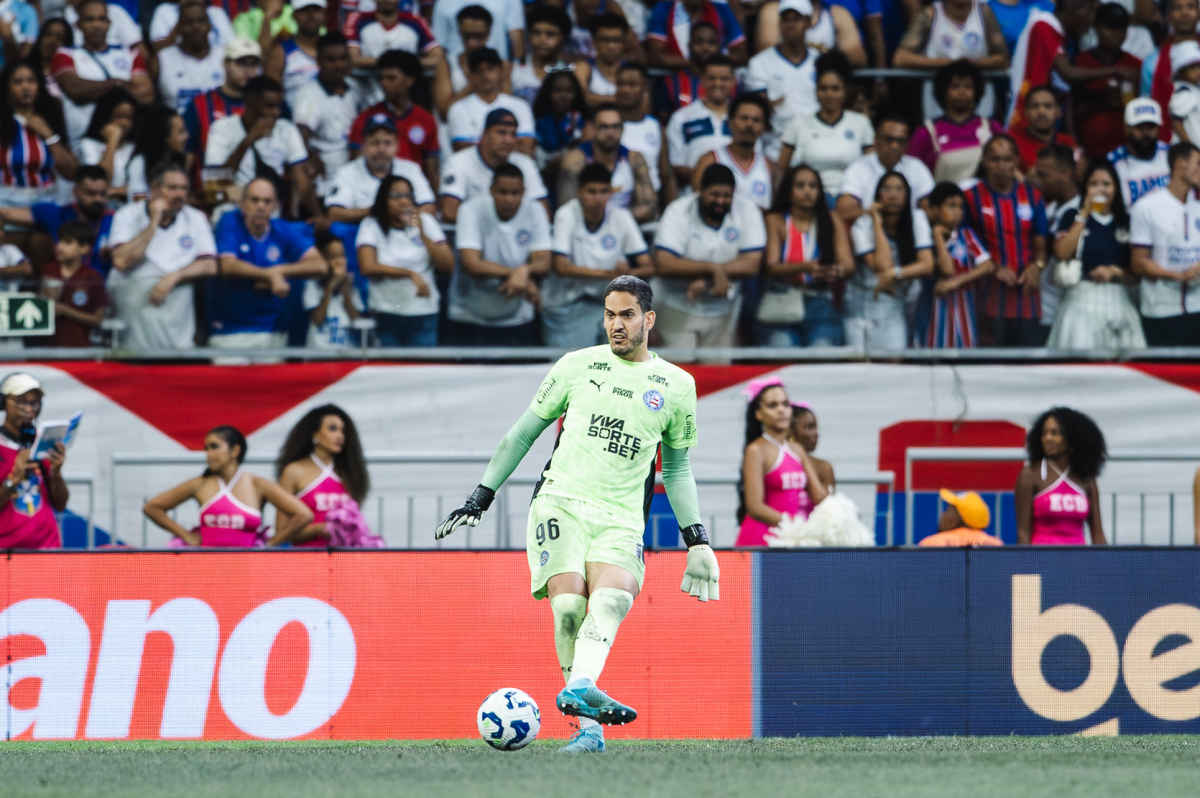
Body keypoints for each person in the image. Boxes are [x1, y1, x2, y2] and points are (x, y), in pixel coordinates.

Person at [435, 274, 718, 754]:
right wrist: (480, 496)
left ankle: (581, 687)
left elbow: (678, 467)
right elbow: (523, 433)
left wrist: (699, 540)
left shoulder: (675, 385)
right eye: (610, 314)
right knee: (568, 608)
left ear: (649, 319)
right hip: (560, 502)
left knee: (612, 601)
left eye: (627, 315)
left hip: (622, 515)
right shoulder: (576, 366)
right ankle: (588, 729)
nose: (617, 324)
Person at [107, 161, 218, 350]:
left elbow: (210, 264)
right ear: (154, 189)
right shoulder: (127, 215)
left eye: (184, 188)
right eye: (172, 188)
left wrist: (174, 277)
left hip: (177, 334)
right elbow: (121, 261)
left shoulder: (195, 218)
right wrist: (154, 222)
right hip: (135, 331)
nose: (180, 194)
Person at [653, 163, 766, 348]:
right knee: (681, 374)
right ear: (700, 191)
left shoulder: (747, 210)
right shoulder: (678, 210)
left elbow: (752, 264)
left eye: (726, 196)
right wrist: (712, 269)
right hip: (678, 305)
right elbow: (665, 263)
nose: (720, 201)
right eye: (714, 194)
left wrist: (707, 281)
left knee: (719, 374)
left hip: (723, 310)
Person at [143, 425, 313, 547]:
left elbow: (303, 514)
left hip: (248, 568)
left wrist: (271, 543)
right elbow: (152, 507)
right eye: (206, 448)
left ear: (235, 451)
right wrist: (186, 536)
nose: (208, 454)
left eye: (214, 447)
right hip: (205, 567)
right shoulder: (200, 484)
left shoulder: (257, 484)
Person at [544, 162, 652, 347]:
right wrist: (610, 276)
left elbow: (648, 266)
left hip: (610, 306)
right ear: (579, 192)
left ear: (611, 192)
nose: (598, 198)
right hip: (569, 304)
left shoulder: (621, 216)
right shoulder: (567, 214)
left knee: (613, 369)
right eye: (591, 191)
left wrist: (629, 273)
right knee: (574, 371)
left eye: (603, 192)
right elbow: (560, 266)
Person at [209, 177, 326, 348]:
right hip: (230, 331)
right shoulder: (230, 221)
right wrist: (270, 275)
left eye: (267, 201)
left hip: (272, 331)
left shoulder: (281, 229)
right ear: (242, 204)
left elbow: (320, 265)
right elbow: (228, 265)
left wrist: (279, 271)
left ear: (275, 206)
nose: (261, 206)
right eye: (254, 200)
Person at [448, 162, 550, 346]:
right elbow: (471, 263)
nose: (509, 199)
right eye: (502, 192)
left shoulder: (535, 210)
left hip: (517, 315)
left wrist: (524, 270)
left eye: (515, 193)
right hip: (469, 315)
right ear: (491, 190)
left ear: (524, 191)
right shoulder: (470, 209)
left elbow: (543, 261)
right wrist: (517, 275)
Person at [1047, 160, 1145, 350]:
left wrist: (1115, 273)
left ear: (1116, 188)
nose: (1100, 189)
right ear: (1085, 187)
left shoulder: (1126, 221)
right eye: (1094, 184)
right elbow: (1061, 252)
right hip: (1080, 300)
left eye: (1106, 184)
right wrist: (1084, 211)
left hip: (1119, 299)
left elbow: (1137, 273)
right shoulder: (1072, 216)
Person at [963, 134, 1049, 347]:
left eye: (1007, 159)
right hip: (987, 296)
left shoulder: (1033, 197)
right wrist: (993, 268)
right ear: (984, 162)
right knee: (991, 367)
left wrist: (1036, 266)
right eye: (995, 159)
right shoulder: (970, 197)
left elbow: (1041, 243)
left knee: (1029, 367)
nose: (1001, 166)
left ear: (1017, 161)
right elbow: (964, 240)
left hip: (1027, 296)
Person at [758, 164, 852, 347]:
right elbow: (772, 266)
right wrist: (806, 267)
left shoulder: (832, 219)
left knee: (822, 351)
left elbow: (848, 264)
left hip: (820, 300)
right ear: (789, 191)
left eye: (813, 186)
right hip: (783, 298)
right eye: (800, 186)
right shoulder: (776, 220)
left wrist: (835, 271)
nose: (807, 191)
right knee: (782, 347)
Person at [356, 174, 453, 346]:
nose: (404, 201)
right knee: (389, 370)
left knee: (423, 371)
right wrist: (408, 273)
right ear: (383, 199)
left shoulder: (426, 222)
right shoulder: (371, 224)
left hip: (423, 311)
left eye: (408, 196)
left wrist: (422, 233)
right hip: (385, 311)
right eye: (396, 196)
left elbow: (447, 264)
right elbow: (368, 266)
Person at [1006, 0, 1132, 129]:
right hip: (1026, 111)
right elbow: (1068, 73)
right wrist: (1115, 70)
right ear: (1077, 8)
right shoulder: (1043, 25)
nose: (1092, 22)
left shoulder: (1064, 34)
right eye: (1091, 12)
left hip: (1046, 113)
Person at [204, 75, 315, 219]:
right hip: (231, 212)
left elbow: (302, 181)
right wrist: (248, 140)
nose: (276, 112)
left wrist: (317, 215)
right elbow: (214, 190)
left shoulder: (286, 129)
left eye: (278, 106)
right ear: (249, 102)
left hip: (270, 215)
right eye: (269, 106)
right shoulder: (221, 129)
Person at [735, 377, 829, 547]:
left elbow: (819, 496)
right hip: (763, 539)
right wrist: (796, 525)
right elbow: (755, 507)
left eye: (785, 404)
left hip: (793, 539)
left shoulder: (797, 450)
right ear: (758, 414)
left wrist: (838, 512)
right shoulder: (756, 450)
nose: (781, 410)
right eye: (773, 405)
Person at [846, 171, 934, 351]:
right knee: (860, 368)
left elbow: (927, 264)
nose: (893, 195)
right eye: (887, 189)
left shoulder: (917, 218)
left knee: (895, 362)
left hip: (896, 303)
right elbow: (882, 266)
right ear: (878, 194)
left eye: (899, 189)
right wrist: (877, 222)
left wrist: (895, 273)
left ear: (907, 194)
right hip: (863, 304)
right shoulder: (863, 224)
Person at [51, 0, 153, 150]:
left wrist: (98, 88)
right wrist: (116, 84)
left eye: (101, 19)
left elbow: (146, 94)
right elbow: (75, 89)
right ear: (78, 24)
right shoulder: (65, 55)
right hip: (84, 144)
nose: (96, 25)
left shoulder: (130, 54)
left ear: (109, 23)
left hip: (128, 144)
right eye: (89, 19)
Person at [776, 50, 872, 206]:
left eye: (835, 89)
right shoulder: (798, 124)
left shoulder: (861, 123)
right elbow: (781, 170)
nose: (829, 94)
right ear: (816, 90)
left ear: (845, 91)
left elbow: (871, 167)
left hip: (852, 199)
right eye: (823, 88)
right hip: (810, 201)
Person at [1130, 142, 1200, 346]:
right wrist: (1176, 275)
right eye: (1198, 163)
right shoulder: (1146, 207)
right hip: (1161, 310)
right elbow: (1138, 262)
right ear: (1180, 164)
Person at [893, 0, 1008, 121]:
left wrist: (970, 64)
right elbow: (900, 58)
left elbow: (1003, 59)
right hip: (936, 101)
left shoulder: (984, 12)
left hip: (979, 100)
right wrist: (947, 64)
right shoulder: (930, 14)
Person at [275, 404, 371, 547]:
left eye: (343, 431)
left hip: (343, 560)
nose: (340, 436)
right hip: (307, 559)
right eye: (332, 429)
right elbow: (281, 531)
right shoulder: (294, 471)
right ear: (314, 434)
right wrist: (318, 529)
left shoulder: (349, 474)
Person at [914, 181, 993, 348]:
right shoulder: (924, 239)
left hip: (964, 311)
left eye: (960, 207)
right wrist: (937, 235)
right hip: (932, 312)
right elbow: (946, 269)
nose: (957, 212)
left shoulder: (966, 235)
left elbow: (987, 266)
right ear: (934, 210)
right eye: (951, 206)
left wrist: (956, 282)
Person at [293, 32, 372, 198]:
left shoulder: (357, 88)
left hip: (359, 168)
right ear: (319, 61)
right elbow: (300, 139)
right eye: (331, 60)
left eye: (343, 58)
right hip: (327, 177)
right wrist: (312, 158)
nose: (338, 65)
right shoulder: (308, 95)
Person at [1015, 406, 1107, 545]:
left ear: (1072, 438)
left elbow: (1098, 534)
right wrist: (1029, 565)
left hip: (1078, 560)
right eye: (1044, 433)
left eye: (1055, 433)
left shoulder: (1086, 478)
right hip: (1042, 560)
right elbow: (1023, 533)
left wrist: (1105, 563)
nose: (1047, 438)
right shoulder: (1030, 475)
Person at [438, 108, 548, 223]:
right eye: (501, 132)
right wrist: (494, 227)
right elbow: (449, 212)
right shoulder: (459, 162)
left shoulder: (525, 163)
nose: (508, 140)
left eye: (513, 134)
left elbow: (543, 213)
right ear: (484, 134)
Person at [350, 49, 439, 188]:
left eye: (391, 78)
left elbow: (431, 169)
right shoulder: (365, 118)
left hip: (414, 190)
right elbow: (356, 164)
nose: (384, 83)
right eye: (382, 78)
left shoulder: (426, 119)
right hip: (374, 190)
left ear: (409, 80)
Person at [0, 165, 112, 273]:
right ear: (76, 191)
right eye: (91, 193)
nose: (98, 199)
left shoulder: (115, 220)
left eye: (103, 194)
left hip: (106, 286)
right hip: (62, 283)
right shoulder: (57, 214)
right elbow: (7, 213)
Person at [743, 0, 818, 161]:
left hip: (816, 143)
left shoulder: (821, 61)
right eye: (785, 19)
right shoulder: (759, 63)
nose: (790, 24)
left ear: (808, 22)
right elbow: (758, 111)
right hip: (775, 146)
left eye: (796, 19)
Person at [326, 114, 436, 222]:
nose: (381, 149)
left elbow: (429, 207)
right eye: (375, 143)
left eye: (387, 143)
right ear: (363, 145)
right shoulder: (347, 172)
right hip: (360, 233)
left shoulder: (411, 169)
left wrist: (399, 217)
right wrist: (378, 212)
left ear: (397, 145)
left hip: (405, 231)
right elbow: (334, 213)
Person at [906, 59, 1002, 183]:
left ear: (977, 91)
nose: (962, 92)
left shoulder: (992, 128)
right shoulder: (926, 132)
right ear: (943, 91)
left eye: (968, 87)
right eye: (955, 86)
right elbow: (912, 172)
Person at [0, 373, 67, 549]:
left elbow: (60, 504)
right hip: (7, 553)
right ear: (4, 402)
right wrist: (13, 478)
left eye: (34, 402)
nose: (30, 408)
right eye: (22, 401)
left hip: (47, 548)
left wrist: (56, 473)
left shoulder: (41, 442)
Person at [557, 104, 656, 222]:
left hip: (626, 226)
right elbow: (567, 209)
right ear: (593, 129)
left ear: (622, 129)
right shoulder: (575, 160)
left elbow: (649, 208)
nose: (610, 133)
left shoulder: (634, 159)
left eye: (615, 127)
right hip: (584, 229)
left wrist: (615, 222)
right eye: (604, 127)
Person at [0, 58, 76, 208]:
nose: (26, 87)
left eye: (31, 81)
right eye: (18, 82)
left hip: (46, 200)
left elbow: (71, 172)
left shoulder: (51, 119)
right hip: (5, 202)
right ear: (7, 87)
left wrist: (48, 135)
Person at [836, 112, 935, 223]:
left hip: (909, 233)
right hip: (870, 229)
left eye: (900, 141)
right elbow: (844, 211)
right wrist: (877, 213)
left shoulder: (917, 167)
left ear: (907, 144)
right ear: (876, 140)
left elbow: (930, 210)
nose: (894, 146)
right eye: (889, 139)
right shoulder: (858, 167)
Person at [1073, 3, 1141, 160]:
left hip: (1127, 150)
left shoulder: (1135, 64)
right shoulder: (1081, 63)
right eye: (1110, 28)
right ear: (1096, 28)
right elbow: (1072, 107)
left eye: (1121, 29)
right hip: (1090, 148)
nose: (1116, 34)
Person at [691, 94, 775, 211]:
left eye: (756, 120)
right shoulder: (709, 160)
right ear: (730, 122)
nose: (749, 124)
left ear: (764, 127)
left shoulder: (769, 166)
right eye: (744, 118)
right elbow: (697, 204)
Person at [664, 54, 735, 190]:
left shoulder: (743, 118)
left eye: (724, 79)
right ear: (702, 80)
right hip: (693, 194)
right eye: (712, 78)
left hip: (737, 196)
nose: (718, 84)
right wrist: (708, 179)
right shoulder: (682, 117)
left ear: (733, 81)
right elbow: (674, 165)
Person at [182, 36, 261, 157]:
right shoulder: (200, 104)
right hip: (211, 174)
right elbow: (188, 153)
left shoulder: (268, 104)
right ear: (225, 64)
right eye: (241, 63)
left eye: (253, 64)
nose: (248, 71)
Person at [447, 47, 535, 155]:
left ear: (501, 71)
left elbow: (526, 146)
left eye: (490, 69)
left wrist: (483, 145)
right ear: (470, 75)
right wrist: (507, 146)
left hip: (514, 168)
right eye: (479, 71)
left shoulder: (520, 106)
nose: (485, 76)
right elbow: (463, 149)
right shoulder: (458, 108)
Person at [34, 220, 108, 347]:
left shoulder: (93, 277)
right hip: (46, 350)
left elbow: (98, 319)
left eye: (67, 242)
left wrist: (66, 311)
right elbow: (45, 307)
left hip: (79, 350)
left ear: (84, 249)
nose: (59, 247)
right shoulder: (49, 270)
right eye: (59, 241)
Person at [1032, 142, 1080, 333]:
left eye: (1044, 175)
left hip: (1066, 315)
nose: (1037, 180)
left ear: (1066, 173)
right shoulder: (1046, 209)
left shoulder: (1082, 213)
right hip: (1042, 309)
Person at [156, 0, 226, 114]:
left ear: (209, 25)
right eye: (189, 22)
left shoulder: (224, 56)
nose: (196, 26)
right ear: (178, 27)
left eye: (201, 21)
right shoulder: (162, 59)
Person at [754, 0, 868, 67]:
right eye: (788, 19)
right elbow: (767, 54)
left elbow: (857, 59)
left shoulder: (838, 14)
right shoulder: (773, 11)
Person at [613, 62, 668, 196]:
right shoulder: (604, 123)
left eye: (632, 85)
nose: (625, 90)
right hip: (614, 201)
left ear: (645, 87)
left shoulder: (655, 126)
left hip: (650, 199)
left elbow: (666, 174)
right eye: (621, 84)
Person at [344, 0, 442, 71]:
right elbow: (352, 58)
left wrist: (408, 63)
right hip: (366, 86)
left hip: (408, 88)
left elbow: (437, 57)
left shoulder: (416, 22)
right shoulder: (357, 20)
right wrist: (395, 62)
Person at [1108, 97, 1170, 208]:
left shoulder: (1171, 155)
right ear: (1127, 128)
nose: (1146, 133)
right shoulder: (1112, 163)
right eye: (1140, 127)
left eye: (1151, 127)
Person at [304, 232, 363, 349]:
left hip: (346, 353)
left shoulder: (352, 286)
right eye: (333, 257)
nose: (339, 261)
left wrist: (346, 292)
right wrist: (330, 287)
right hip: (318, 353)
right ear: (323, 259)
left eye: (342, 256)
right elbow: (318, 320)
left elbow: (356, 321)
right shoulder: (312, 285)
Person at [646, 0, 747, 68]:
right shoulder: (665, 8)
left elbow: (740, 54)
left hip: (715, 77)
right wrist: (695, 64)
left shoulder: (721, 9)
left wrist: (713, 61)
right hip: (675, 79)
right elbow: (656, 56)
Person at [513, 6, 581, 107]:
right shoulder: (514, 68)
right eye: (536, 33)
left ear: (563, 38)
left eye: (550, 34)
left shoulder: (572, 69)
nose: (542, 40)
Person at [652, 19, 718, 116]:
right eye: (699, 42)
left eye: (711, 42)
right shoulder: (670, 83)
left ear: (718, 47)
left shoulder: (729, 84)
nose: (705, 47)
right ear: (689, 46)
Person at [126, 105, 190, 201]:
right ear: (165, 137)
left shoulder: (179, 160)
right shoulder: (139, 163)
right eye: (181, 132)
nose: (187, 136)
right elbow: (138, 199)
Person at [77, 87, 134, 194]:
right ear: (105, 117)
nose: (124, 123)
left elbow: (142, 188)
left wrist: (115, 191)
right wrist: (112, 141)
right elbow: (100, 182)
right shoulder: (88, 145)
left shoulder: (133, 147)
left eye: (129, 118)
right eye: (119, 117)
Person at [1008, 86, 1079, 172]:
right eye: (1034, 106)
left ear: (1058, 112)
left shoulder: (1069, 143)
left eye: (1048, 106)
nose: (1041, 112)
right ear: (1025, 112)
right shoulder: (1011, 142)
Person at [265, 0, 321, 107]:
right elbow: (269, 95)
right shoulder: (281, 52)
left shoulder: (333, 48)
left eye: (316, 10)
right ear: (294, 15)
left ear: (324, 13)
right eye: (304, 10)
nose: (311, 16)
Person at [431, 0, 524, 62]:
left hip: (496, 69)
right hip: (456, 71)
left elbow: (517, 38)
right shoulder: (443, 2)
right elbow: (439, 45)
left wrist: (514, 72)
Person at [532, 68, 587, 168]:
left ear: (576, 94)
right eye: (558, 91)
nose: (563, 96)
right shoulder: (539, 121)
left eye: (569, 91)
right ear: (548, 93)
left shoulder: (580, 119)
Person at [919, 489, 1002, 546]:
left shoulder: (931, 544)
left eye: (948, 509)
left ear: (957, 518)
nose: (943, 514)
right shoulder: (995, 545)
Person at [576, 12, 625, 107]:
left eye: (616, 40)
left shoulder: (631, 69)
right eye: (605, 40)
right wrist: (622, 100)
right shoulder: (584, 68)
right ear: (594, 42)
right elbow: (582, 98)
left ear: (623, 43)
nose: (611, 46)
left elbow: (643, 104)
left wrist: (597, 99)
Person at [1171, 40, 1200, 145]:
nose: (1198, 71)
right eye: (1192, 68)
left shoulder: (1194, 88)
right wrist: (1188, 145)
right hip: (1190, 152)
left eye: (1199, 66)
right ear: (1181, 70)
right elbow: (1176, 121)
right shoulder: (1184, 92)